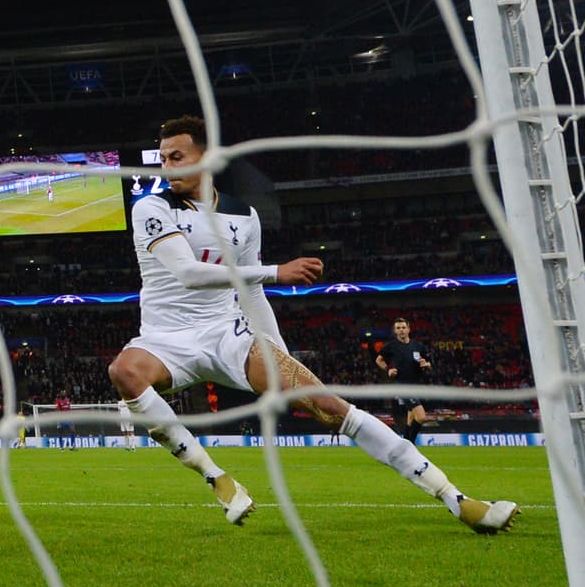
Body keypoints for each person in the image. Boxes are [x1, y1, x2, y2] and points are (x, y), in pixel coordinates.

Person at [106, 116, 518, 534]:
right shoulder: (151, 207)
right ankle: (217, 478)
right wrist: (276, 271)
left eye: (177, 157)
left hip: (227, 335)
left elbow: (252, 296)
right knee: (123, 371)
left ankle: (457, 499)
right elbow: (188, 273)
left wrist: (277, 352)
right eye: (163, 159)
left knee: (331, 406)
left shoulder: (244, 216)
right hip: (165, 339)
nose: (167, 167)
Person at [376, 317, 433, 443]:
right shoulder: (390, 346)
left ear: (408, 329)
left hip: (417, 385)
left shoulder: (418, 346)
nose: (401, 330)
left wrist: (426, 365)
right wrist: (388, 370)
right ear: (395, 331)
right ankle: (410, 445)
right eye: (398, 328)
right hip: (403, 386)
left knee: (411, 419)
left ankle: (405, 444)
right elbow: (379, 360)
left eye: (403, 327)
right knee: (421, 417)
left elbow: (428, 363)